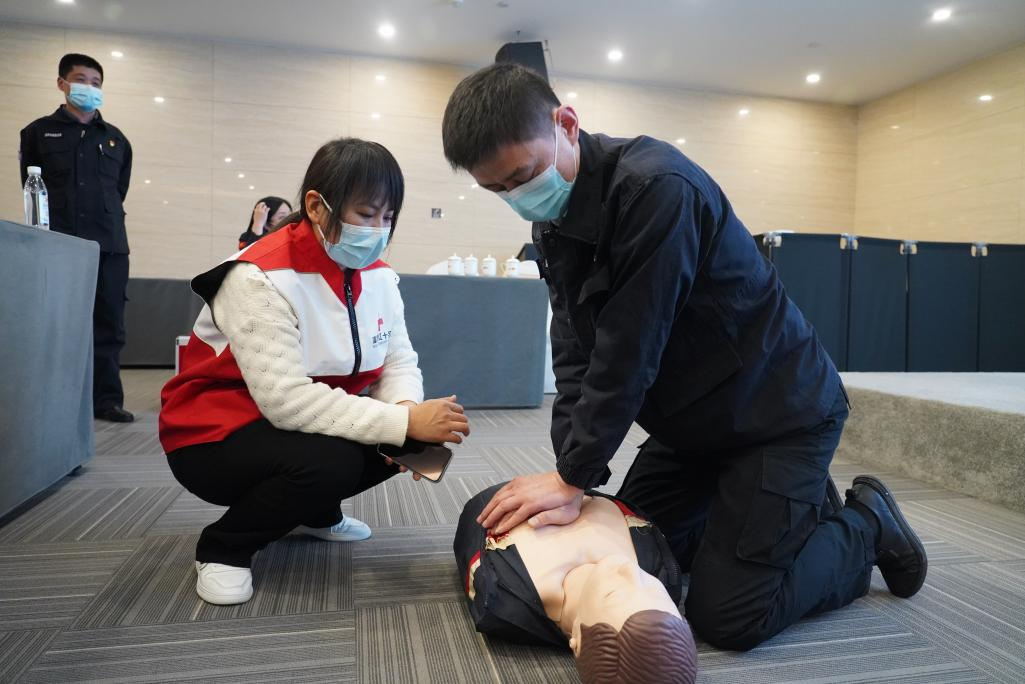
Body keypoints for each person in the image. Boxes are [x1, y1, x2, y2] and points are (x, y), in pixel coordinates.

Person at [441, 64, 927, 651]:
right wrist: (571, 472)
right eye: (498, 190)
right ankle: (789, 513)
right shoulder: (555, 221)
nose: (518, 198)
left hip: (775, 417)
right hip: (692, 428)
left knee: (729, 616)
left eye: (522, 176)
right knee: (643, 554)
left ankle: (866, 524)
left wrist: (572, 478)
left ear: (566, 124)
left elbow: (628, 349)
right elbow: (573, 354)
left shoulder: (657, 188)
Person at [159, 138, 470, 605]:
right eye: (366, 214)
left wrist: (406, 414)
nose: (378, 230)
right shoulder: (258, 276)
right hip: (214, 433)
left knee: (411, 445)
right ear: (316, 206)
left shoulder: (379, 276)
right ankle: (224, 547)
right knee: (338, 459)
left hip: (292, 424)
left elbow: (398, 359)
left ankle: (314, 511)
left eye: (388, 217)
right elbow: (284, 400)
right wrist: (403, 421)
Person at [455, 483, 698, 684]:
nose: (628, 569)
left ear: (578, 639)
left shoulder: (504, 594)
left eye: (614, 594)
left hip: (503, 494)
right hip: (578, 476)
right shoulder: (663, 570)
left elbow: (473, 527)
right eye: (652, 587)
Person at [19, 53, 134, 423]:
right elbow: (31, 185)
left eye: (96, 83)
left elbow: (119, 190)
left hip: (109, 247)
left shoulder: (116, 139)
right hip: (57, 246)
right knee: (55, 323)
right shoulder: (37, 133)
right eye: (81, 79)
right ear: (62, 83)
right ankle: (55, 398)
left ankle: (107, 401)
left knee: (109, 325)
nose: (89, 88)